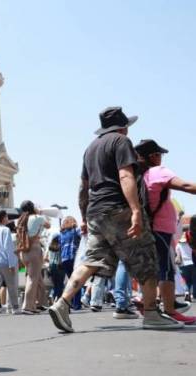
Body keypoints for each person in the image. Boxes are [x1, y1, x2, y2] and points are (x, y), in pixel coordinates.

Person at [48, 106, 182, 332]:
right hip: (119, 209)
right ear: (124, 128)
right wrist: (136, 211)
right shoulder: (121, 142)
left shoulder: (90, 148)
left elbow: (84, 187)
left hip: (96, 212)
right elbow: (125, 175)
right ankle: (151, 313)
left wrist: (83, 217)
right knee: (147, 259)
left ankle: (62, 303)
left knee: (92, 261)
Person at [135, 139, 196, 324]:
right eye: (159, 154)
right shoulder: (157, 171)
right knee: (166, 270)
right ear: (153, 156)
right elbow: (186, 186)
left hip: (147, 229)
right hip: (160, 229)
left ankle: (148, 303)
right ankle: (170, 310)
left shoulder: (139, 175)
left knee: (153, 269)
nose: (161, 158)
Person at [17, 200, 50, 314]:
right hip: (34, 250)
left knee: (37, 278)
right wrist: (39, 213)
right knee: (32, 278)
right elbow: (48, 225)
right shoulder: (37, 217)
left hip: (24, 252)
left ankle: (40, 304)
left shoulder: (21, 220)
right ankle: (27, 307)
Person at [58, 216, 82, 309]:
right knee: (77, 281)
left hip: (64, 259)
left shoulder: (61, 234)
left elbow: (60, 247)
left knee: (70, 281)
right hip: (74, 258)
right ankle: (76, 304)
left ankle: (69, 301)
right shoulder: (76, 230)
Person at [176, 231, 194, 302]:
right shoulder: (191, 244)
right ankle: (192, 294)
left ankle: (186, 292)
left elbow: (177, 254)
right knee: (192, 280)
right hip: (192, 263)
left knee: (184, 279)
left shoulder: (178, 245)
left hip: (183, 264)